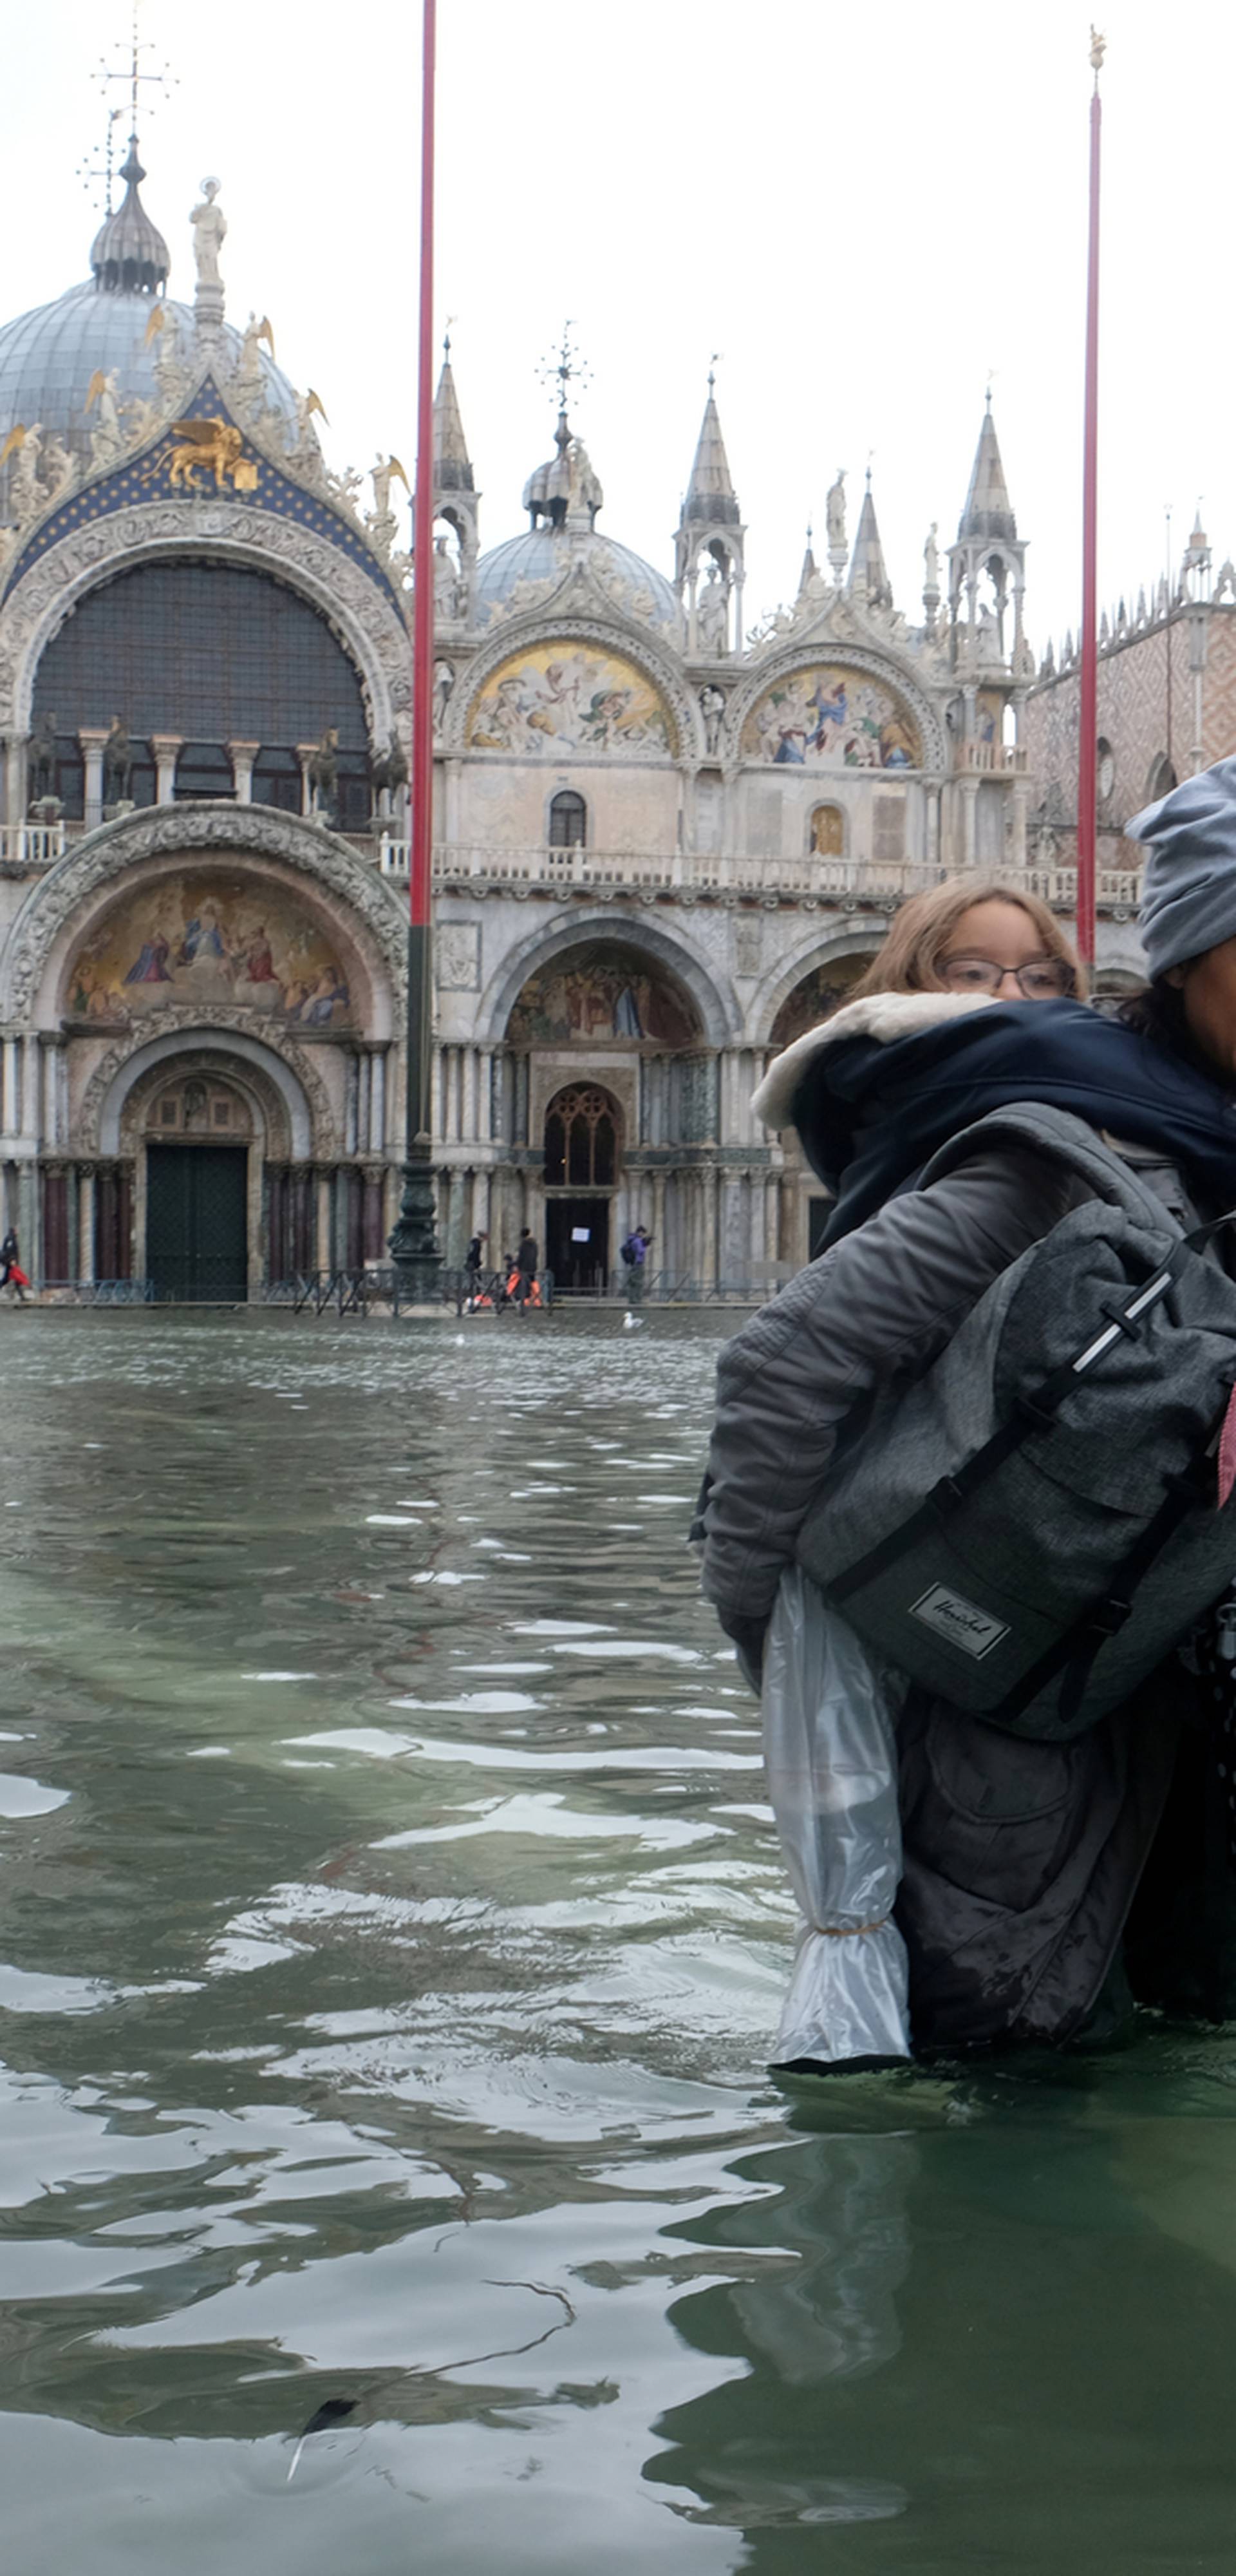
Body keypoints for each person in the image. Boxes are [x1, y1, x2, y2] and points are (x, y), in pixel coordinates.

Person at [700, 846, 1236, 2052]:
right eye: (974, 972)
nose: (1011, 1001)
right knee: (1007, 2070)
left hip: (1137, 1708)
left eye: (1042, 975)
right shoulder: (1034, 1164)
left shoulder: (1177, 1141)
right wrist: (778, 1629)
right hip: (1001, 1739)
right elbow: (780, 1373)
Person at [621, 1224, 651, 1303]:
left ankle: (633, 1299)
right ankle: (637, 1299)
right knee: (638, 1282)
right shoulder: (637, 1241)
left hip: (634, 1263)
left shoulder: (632, 1240)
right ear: (640, 1232)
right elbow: (640, 1251)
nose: (644, 1235)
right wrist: (645, 1245)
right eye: (643, 1233)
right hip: (638, 1263)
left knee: (633, 1282)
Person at [0, 1226, 30, 1303]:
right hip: (11, 1263)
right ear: (14, 1231)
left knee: (11, 1279)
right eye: (17, 1230)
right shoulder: (10, 1239)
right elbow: (9, 1251)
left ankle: (22, 1297)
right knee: (7, 1279)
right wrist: (12, 1260)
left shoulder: (12, 1238)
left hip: (11, 1262)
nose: (18, 1232)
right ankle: (22, 1297)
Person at [513, 1228, 539, 1311]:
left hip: (524, 1268)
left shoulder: (524, 1244)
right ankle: (536, 1299)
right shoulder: (534, 1244)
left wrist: (517, 1265)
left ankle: (522, 1301)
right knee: (531, 1284)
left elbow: (521, 1257)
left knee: (523, 1285)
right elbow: (535, 1255)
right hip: (532, 1267)